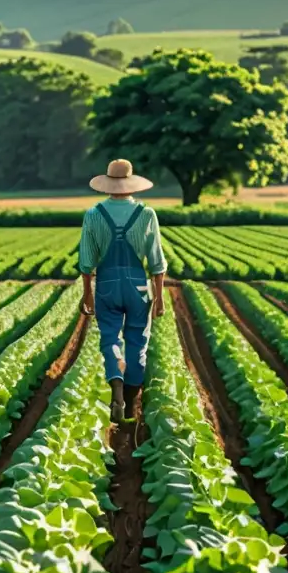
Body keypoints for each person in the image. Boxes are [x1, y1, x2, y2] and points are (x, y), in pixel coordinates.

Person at [78, 159, 167, 423]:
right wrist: (160, 297)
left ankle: (116, 384)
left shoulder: (94, 215)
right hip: (138, 286)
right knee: (138, 341)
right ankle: (130, 404)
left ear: (108, 185)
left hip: (106, 284)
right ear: (131, 185)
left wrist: (87, 292)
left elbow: (86, 260)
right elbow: (157, 262)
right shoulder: (146, 214)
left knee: (110, 339)